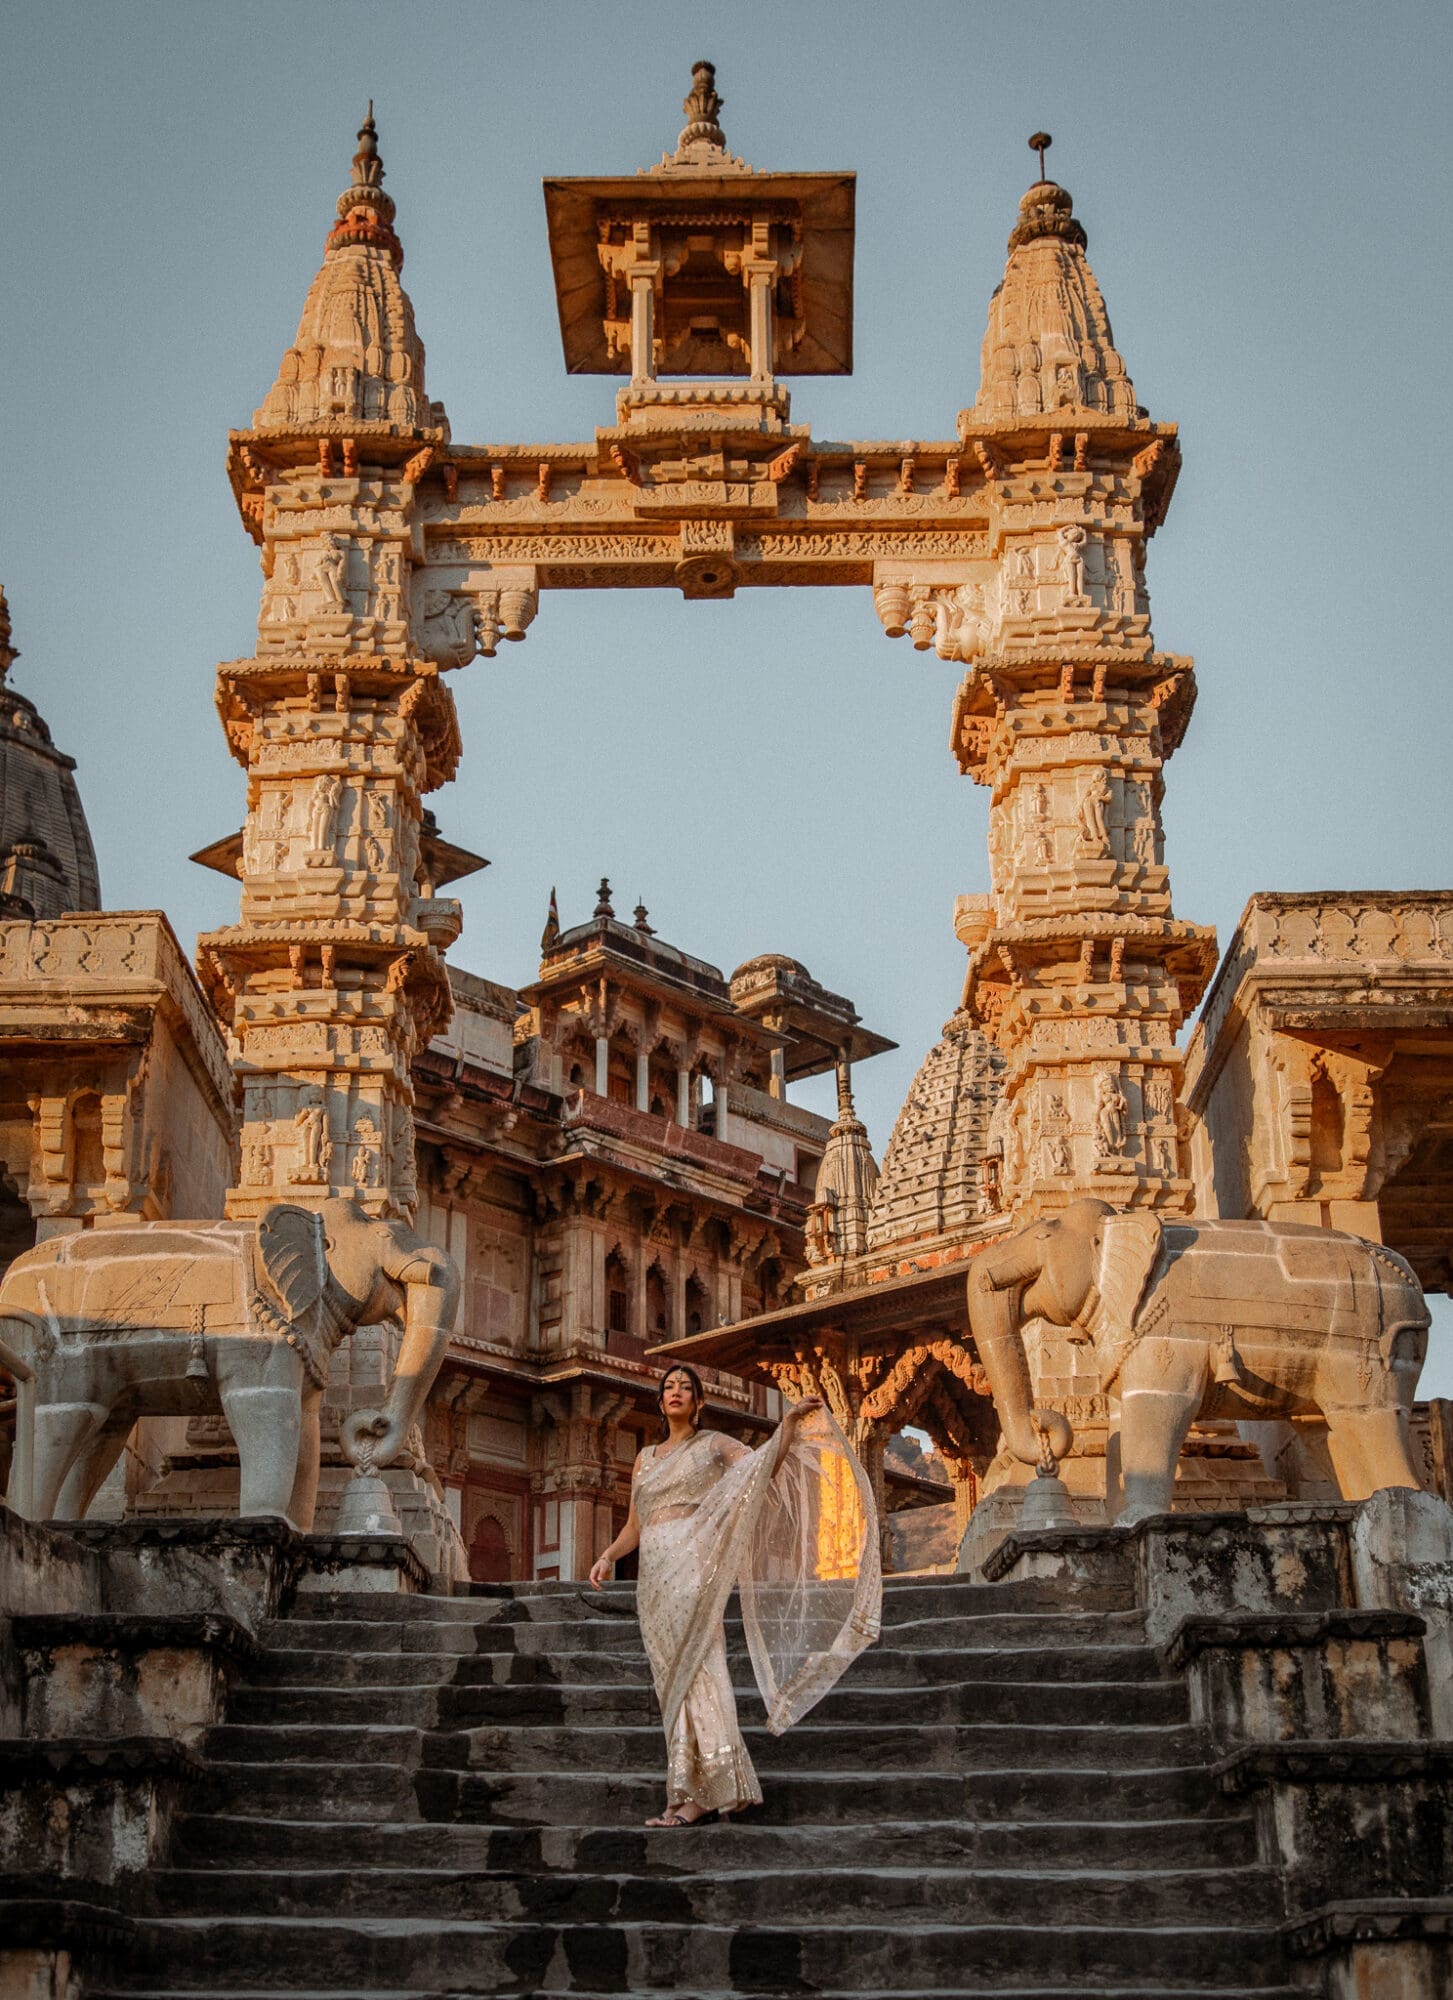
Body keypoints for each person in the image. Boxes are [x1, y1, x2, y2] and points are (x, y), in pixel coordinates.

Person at [590, 1363, 881, 1828]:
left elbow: (763, 1467)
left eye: (686, 1387)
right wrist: (607, 1555)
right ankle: (688, 1787)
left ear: (700, 1402)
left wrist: (786, 1425)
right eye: (669, 1387)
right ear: (660, 1401)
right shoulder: (645, 1458)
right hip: (654, 1579)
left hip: (693, 1563)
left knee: (701, 1666)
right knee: (672, 1682)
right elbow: (635, 1525)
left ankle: (711, 1789)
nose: (676, 1392)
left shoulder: (713, 1446)